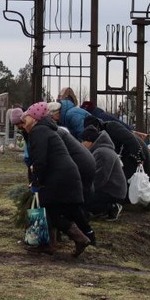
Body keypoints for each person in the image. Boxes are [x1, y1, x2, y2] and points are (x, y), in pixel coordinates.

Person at [20, 102, 92, 257]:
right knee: (53, 210)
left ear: (35, 118)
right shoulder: (46, 130)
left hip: (60, 177)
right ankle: (55, 242)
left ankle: (75, 239)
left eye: (27, 117)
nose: (23, 121)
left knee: (46, 209)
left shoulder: (38, 132)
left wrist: (36, 180)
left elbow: (40, 160)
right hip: (66, 175)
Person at [49, 101, 97, 243]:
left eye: (52, 117)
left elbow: (86, 136)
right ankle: (86, 232)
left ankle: (85, 233)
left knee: (76, 201)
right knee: (76, 201)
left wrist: (80, 150)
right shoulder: (68, 116)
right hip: (81, 159)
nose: (53, 121)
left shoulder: (71, 115)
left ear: (56, 114)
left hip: (81, 160)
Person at [81, 124, 127, 221]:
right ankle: (103, 209)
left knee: (84, 202)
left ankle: (111, 207)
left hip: (112, 193)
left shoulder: (102, 152)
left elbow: (100, 178)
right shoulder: (100, 150)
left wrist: (86, 191)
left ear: (89, 141)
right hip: (111, 190)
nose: (82, 144)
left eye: (83, 141)